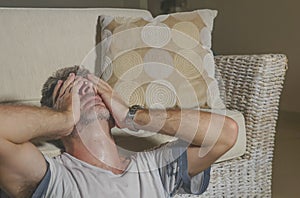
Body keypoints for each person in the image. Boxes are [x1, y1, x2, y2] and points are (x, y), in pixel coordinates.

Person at [0, 66, 238, 198]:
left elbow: (225, 133)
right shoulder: (54, 179)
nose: (90, 94)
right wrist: (62, 120)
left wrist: (132, 116)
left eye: (96, 89)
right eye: (74, 92)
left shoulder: (153, 168)